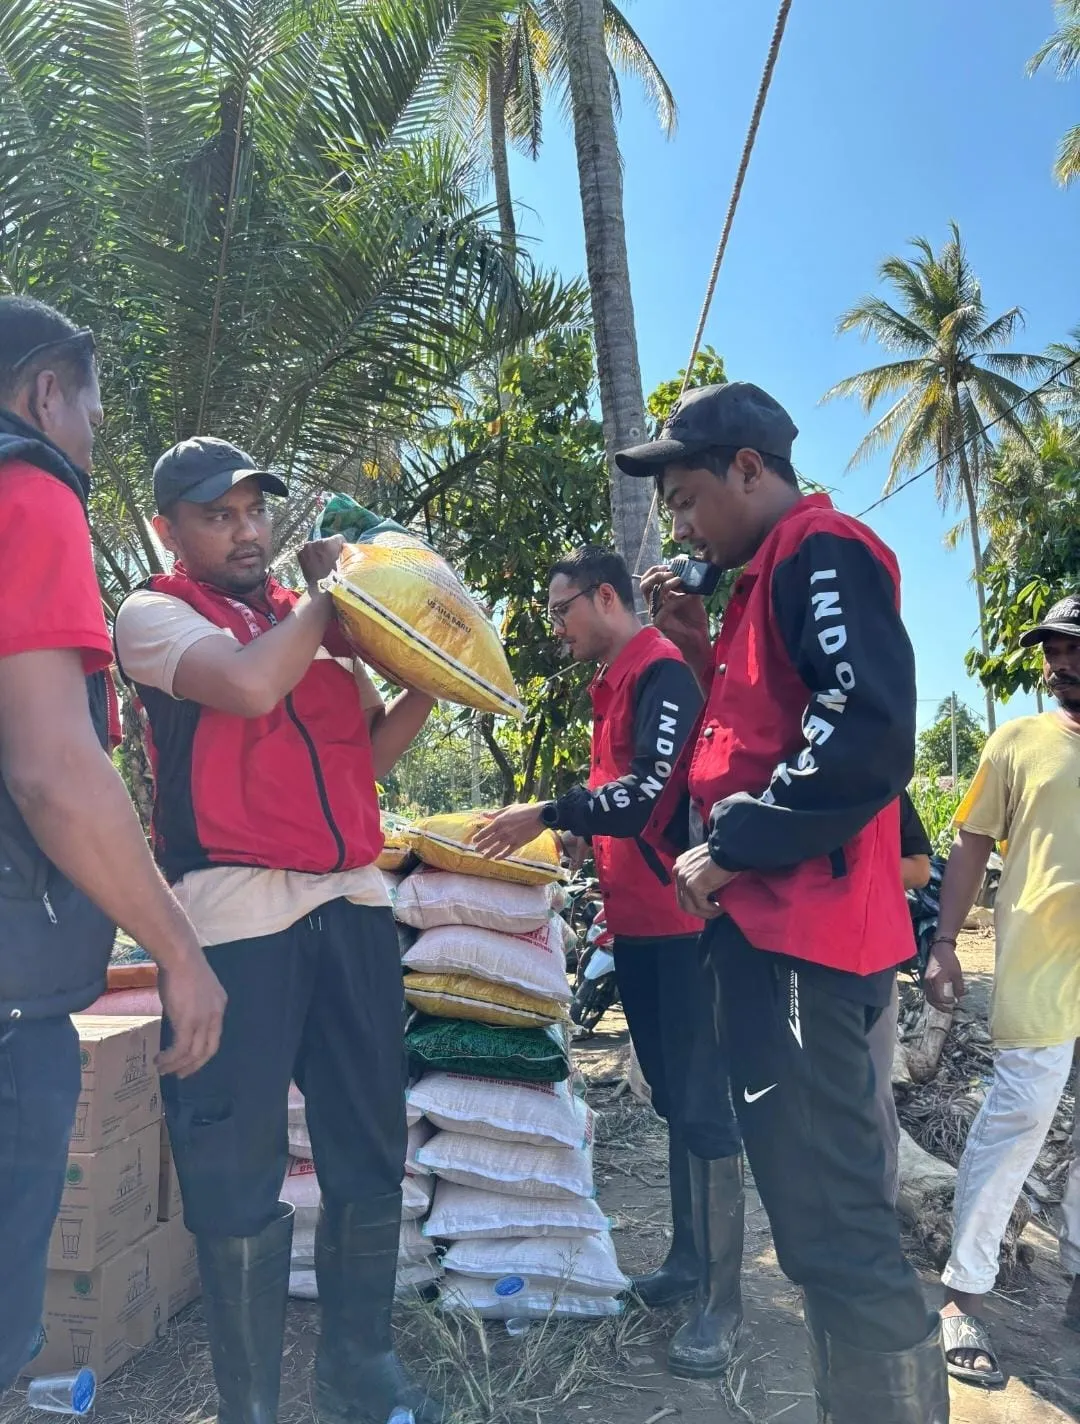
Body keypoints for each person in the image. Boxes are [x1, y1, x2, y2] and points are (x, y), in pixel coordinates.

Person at [628, 382, 949, 1423]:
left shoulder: (819, 550)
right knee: (822, 1228)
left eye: (685, 498)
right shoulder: (764, 581)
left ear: (750, 470)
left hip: (804, 938)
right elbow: (779, 724)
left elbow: (862, 726)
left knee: (839, 1231)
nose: (680, 525)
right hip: (783, 944)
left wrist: (729, 847)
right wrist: (693, 644)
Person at [113, 438, 441, 1424]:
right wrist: (339, 597)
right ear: (173, 528)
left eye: (257, 509)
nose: (248, 527)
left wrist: (434, 671)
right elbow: (251, 686)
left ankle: (359, 1365)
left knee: (368, 1145)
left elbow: (367, 759)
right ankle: (247, 1401)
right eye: (220, 513)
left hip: (351, 903)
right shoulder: (155, 614)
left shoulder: (314, 627)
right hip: (234, 917)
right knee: (235, 1164)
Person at [0, 297, 225, 1392]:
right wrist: (178, 950)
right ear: (46, 394)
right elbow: (54, 771)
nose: (91, 437)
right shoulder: (28, 487)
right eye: (90, 410)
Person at [475, 546, 744, 1378]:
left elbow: (644, 799)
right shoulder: (618, 679)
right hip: (640, 925)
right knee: (673, 1098)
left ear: (602, 597)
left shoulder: (660, 672)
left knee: (704, 1106)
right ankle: (687, 1261)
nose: (555, 626)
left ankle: (724, 1303)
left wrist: (546, 814)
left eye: (560, 610)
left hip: (686, 926)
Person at [924, 594, 1080, 1388]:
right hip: (1041, 969)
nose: (1059, 662)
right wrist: (946, 943)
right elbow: (971, 845)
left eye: (1073, 647)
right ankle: (962, 1296)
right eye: (1053, 648)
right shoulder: (1018, 741)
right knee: (1016, 1124)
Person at [868, 790, 933, 1205]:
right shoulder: (780, 775)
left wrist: (852, 869)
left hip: (871, 958)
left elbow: (920, 869)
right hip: (793, 962)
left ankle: (879, 1210)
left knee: (872, 1088)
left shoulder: (885, 783)